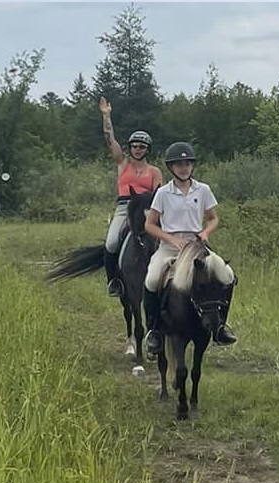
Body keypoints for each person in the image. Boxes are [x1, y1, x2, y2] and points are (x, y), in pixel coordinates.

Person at [142, 141, 237, 356]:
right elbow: (149, 225)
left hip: (196, 246)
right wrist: (170, 239)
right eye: (178, 164)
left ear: (192, 166)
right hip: (170, 247)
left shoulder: (203, 189)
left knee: (228, 275)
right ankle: (154, 330)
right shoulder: (164, 193)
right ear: (171, 167)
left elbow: (213, 219)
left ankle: (221, 326)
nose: (183, 167)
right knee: (152, 279)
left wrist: (205, 233)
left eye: (187, 163)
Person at [100, 96, 163, 297]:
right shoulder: (122, 164)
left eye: (142, 147)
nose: (137, 149)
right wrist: (106, 116)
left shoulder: (155, 171)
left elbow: (158, 195)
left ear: (147, 149)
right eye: (135, 146)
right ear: (130, 148)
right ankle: (114, 281)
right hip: (124, 208)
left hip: (147, 210)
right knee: (111, 243)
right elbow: (110, 139)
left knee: (163, 241)